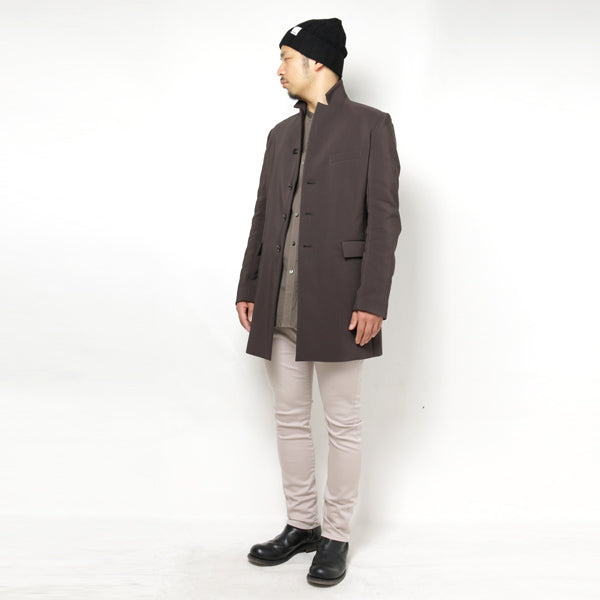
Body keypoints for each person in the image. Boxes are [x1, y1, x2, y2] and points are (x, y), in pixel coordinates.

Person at [235, 17, 401, 587]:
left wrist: (373, 298)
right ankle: (301, 525)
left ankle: (336, 535)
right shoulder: (279, 135)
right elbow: (263, 216)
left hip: (340, 300)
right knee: (289, 419)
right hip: (278, 300)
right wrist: (249, 285)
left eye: (287, 57)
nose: (279, 69)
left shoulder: (371, 126)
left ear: (318, 62)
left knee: (343, 422)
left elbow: (384, 220)